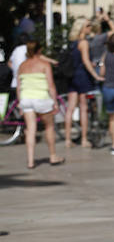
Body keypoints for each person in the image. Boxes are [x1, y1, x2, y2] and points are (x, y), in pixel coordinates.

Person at [17, 40, 64, 168]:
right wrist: (55, 102)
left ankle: (31, 161)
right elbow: (51, 85)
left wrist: (20, 103)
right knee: (49, 127)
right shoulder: (44, 64)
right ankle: (53, 156)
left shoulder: (22, 66)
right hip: (41, 98)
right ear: (39, 50)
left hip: (26, 99)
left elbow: (19, 86)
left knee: (30, 130)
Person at [64, 18, 103, 148]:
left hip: (72, 76)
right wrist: (95, 75)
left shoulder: (72, 43)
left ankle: (68, 139)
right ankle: (84, 139)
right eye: (88, 26)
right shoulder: (84, 43)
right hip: (82, 76)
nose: (90, 28)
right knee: (83, 108)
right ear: (82, 28)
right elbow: (86, 61)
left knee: (70, 108)